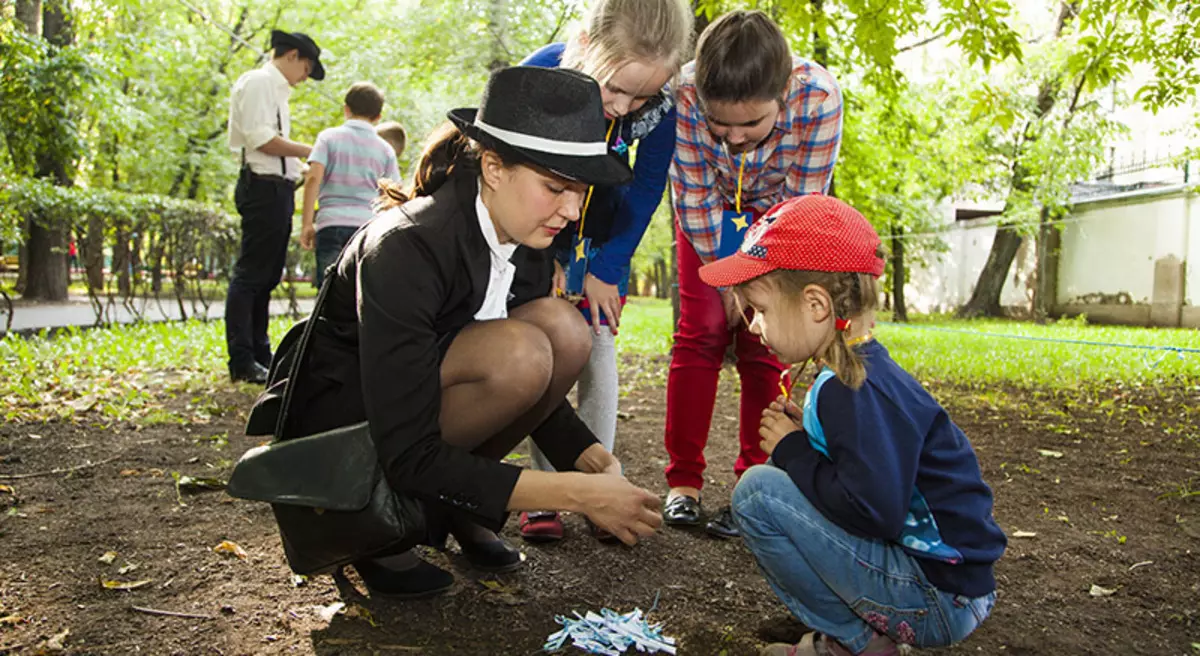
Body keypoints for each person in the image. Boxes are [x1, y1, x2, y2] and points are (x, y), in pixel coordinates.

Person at [274, 66, 662, 599]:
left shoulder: (527, 239)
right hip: (350, 439)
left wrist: (592, 458)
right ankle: (379, 534)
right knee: (520, 351)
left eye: (580, 193)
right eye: (555, 187)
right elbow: (408, 447)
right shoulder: (406, 247)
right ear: (495, 168)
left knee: (565, 332)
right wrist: (578, 495)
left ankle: (463, 503)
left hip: (423, 420)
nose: (572, 212)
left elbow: (535, 391)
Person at [697, 194, 1006, 656]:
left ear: (816, 304)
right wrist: (813, 439)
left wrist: (795, 451)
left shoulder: (850, 389)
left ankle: (857, 644)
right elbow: (872, 473)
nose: (754, 328)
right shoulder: (862, 375)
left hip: (936, 597)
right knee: (776, 483)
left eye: (758, 310)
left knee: (758, 493)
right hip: (952, 586)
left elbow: (873, 510)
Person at [516, 0, 693, 544]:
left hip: (599, 243)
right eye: (616, 89)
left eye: (641, 96)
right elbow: (511, 175)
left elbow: (645, 189)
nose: (624, 106)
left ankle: (599, 488)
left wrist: (608, 268)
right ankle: (545, 490)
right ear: (588, 47)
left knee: (597, 345)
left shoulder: (662, 105)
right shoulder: (542, 72)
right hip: (537, 237)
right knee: (545, 351)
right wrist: (545, 263)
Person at [663, 10, 844, 538]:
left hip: (784, 222)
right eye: (723, 125)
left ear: (784, 92)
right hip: (710, 216)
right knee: (701, 332)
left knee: (766, 340)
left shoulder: (818, 98)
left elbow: (801, 203)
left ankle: (754, 480)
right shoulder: (683, 93)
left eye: (752, 124)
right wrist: (722, 278)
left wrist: (757, 284)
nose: (736, 138)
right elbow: (692, 193)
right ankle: (683, 485)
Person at [225, 30, 325, 384]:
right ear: (293, 56)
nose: (303, 79)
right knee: (251, 274)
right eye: (306, 68)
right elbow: (261, 140)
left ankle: (260, 350)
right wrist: (313, 150)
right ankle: (241, 358)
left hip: (278, 189)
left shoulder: (277, 91)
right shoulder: (258, 83)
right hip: (261, 188)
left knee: (267, 275)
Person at [299, 82, 401, 288]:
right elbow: (393, 194)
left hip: (331, 224)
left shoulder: (327, 138)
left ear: (346, 109)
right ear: (378, 117)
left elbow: (312, 180)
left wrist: (307, 223)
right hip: (368, 229)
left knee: (328, 292)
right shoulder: (385, 150)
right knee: (360, 293)